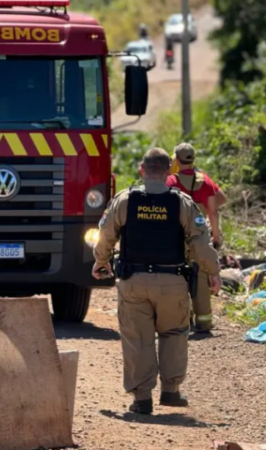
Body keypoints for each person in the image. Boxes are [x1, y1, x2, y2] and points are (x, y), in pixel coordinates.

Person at [93, 148, 221, 415]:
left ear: (142, 169)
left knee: (137, 338)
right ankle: (171, 392)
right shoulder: (183, 203)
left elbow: (106, 234)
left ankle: (142, 399)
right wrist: (213, 272)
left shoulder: (125, 200)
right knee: (174, 334)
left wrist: (101, 260)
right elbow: (200, 241)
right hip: (172, 281)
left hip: (134, 281)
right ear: (169, 170)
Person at [166, 143, 228, 333]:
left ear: (176, 160)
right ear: (193, 159)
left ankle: (181, 320)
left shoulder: (171, 182)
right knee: (200, 276)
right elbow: (214, 211)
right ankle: (204, 322)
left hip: (177, 237)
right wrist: (216, 236)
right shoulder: (206, 182)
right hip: (199, 235)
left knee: (176, 276)